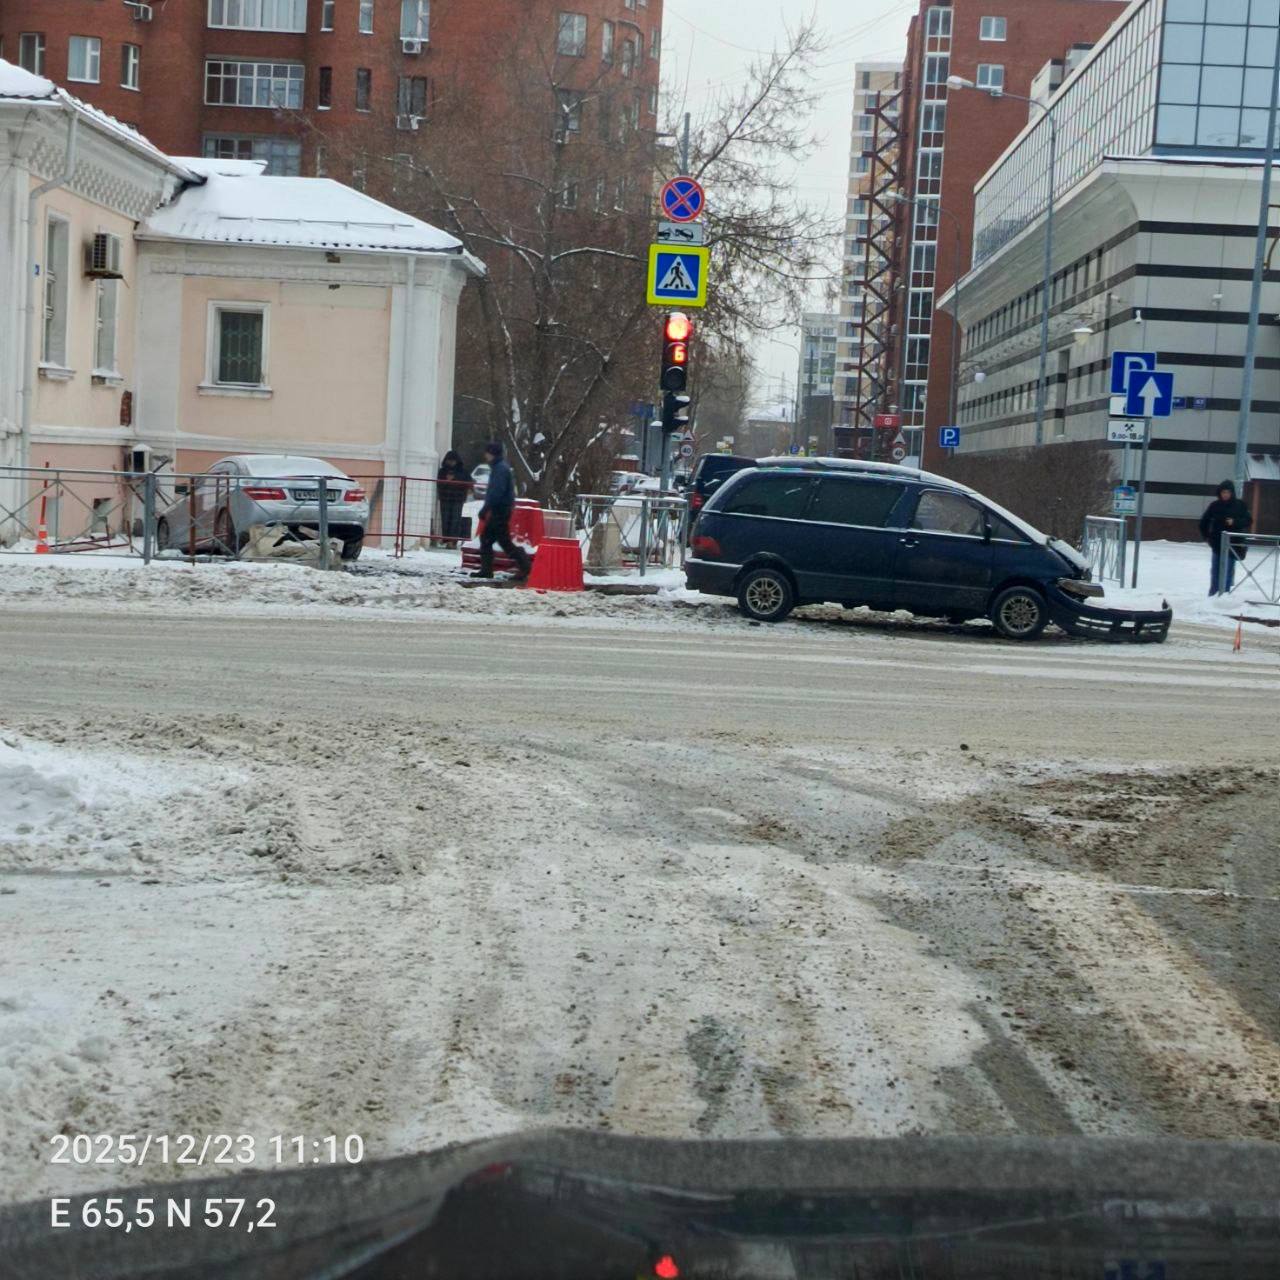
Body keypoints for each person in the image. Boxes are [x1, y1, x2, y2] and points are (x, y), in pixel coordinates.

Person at [473, 441, 532, 580]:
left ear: (492, 453)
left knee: (491, 539)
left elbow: (496, 492)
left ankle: (523, 565)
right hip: (502, 509)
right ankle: (523, 565)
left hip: (499, 510)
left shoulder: (499, 469)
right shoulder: (500, 467)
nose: (485, 455)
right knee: (498, 540)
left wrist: (486, 508)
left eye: (487, 452)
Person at [1199, 478, 1252, 595]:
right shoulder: (1214, 506)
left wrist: (1234, 522)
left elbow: (1248, 520)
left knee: (1227, 572)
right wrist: (1207, 537)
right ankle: (1213, 595)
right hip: (1217, 545)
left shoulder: (1240, 505)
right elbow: (1203, 522)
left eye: (1228, 492)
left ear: (1232, 493)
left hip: (1232, 545)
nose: (1225, 495)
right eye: (1223, 492)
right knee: (1215, 572)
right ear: (1220, 493)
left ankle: (1224, 597)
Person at [436, 450, 471, 543]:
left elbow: (468, 482)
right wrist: (447, 481)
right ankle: (446, 539)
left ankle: (453, 540)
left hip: (458, 499)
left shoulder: (463, 471)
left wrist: (454, 479)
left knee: (455, 520)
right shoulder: (442, 471)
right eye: (449, 460)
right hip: (445, 498)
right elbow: (439, 484)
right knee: (445, 520)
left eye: (453, 461)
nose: (451, 463)